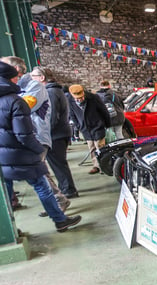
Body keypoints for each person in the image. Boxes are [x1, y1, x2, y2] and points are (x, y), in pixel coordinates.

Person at [0, 61, 81, 232]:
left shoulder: (30, 94)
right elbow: (24, 134)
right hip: (22, 152)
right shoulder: (16, 102)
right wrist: (37, 149)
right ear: (12, 79)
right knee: (41, 184)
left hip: (3, 155)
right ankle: (60, 219)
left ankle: (10, 229)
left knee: (5, 191)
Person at [31, 66, 79, 198]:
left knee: (58, 164)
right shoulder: (54, 91)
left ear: (42, 78)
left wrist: (44, 133)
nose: (31, 79)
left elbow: (51, 117)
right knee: (59, 163)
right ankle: (67, 187)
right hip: (58, 133)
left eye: (33, 76)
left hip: (55, 135)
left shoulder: (50, 92)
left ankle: (68, 190)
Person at [67, 84, 111, 174]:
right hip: (85, 129)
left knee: (100, 147)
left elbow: (104, 111)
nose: (80, 99)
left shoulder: (94, 98)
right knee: (91, 148)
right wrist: (79, 126)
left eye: (81, 97)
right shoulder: (70, 101)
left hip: (97, 126)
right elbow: (72, 114)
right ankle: (96, 166)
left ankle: (104, 167)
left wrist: (107, 124)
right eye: (77, 98)